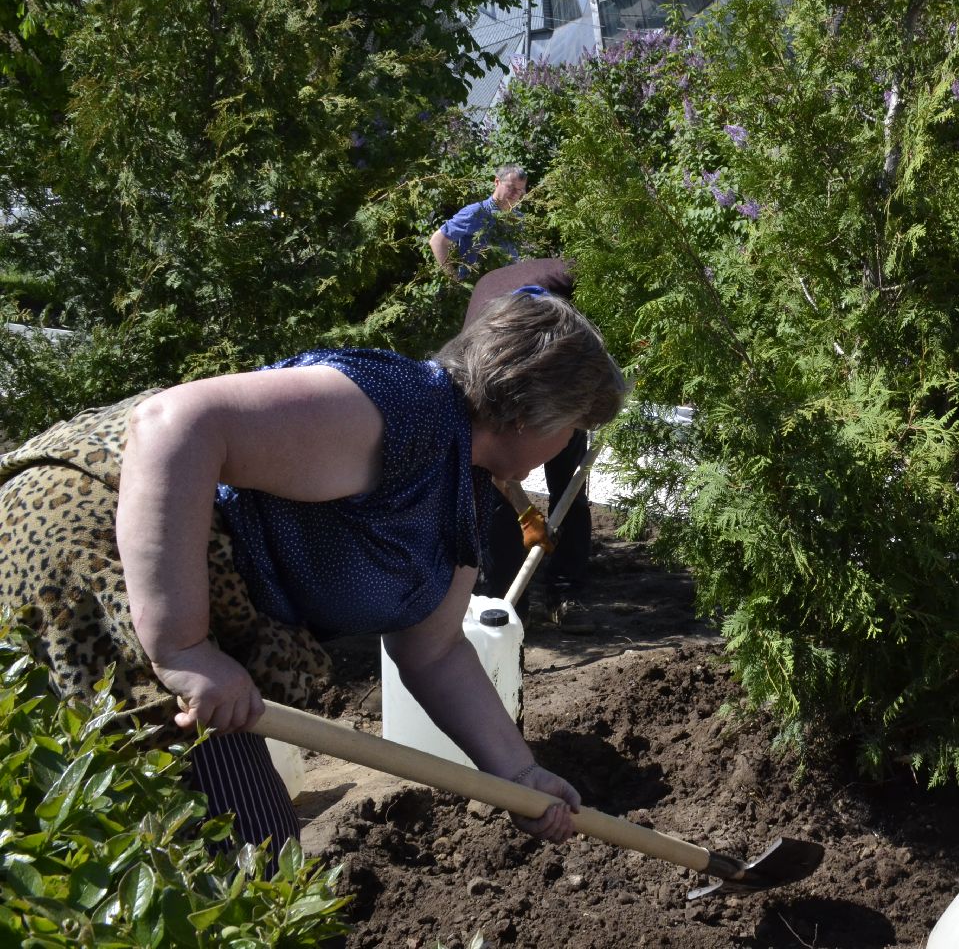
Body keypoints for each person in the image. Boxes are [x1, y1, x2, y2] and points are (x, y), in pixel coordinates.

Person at [0, 292, 626, 854]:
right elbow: (174, 425)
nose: (568, 441)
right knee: (224, 851)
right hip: (91, 552)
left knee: (229, 853)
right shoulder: (401, 406)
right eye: (573, 425)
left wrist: (518, 777)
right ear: (528, 414)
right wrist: (183, 647)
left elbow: (432, 652)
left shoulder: (466, 485)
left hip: (184, 593)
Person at [463, 260, 594, 627]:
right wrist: (523, 510)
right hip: (509, 348)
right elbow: (488, 460)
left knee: (569, 484)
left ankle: (566, 592)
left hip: (559, 355)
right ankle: (508, 607)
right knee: (494, 502)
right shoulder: (477, 369)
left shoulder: (575, 290)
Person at [430, 164, 529, 278]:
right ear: (497, 182)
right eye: (511, 187)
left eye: (519, 190)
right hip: (478, 287)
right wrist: (454, 280)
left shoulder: (517, 217)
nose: (515, 194)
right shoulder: (476, 212)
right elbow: (437, 241)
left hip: (508, 287)